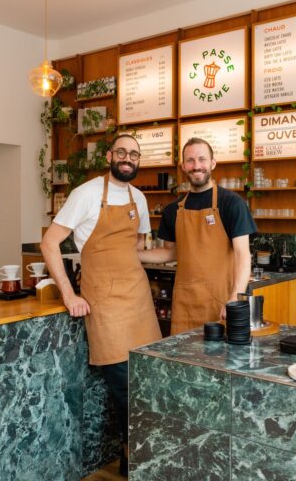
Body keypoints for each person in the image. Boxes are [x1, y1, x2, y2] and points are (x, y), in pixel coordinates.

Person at [40, 134, 161, 476]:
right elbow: (49, 243)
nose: (128, 158)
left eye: (134, 154)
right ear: (109, 156)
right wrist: (68, 294)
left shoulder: (138, 198)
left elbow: (136, 250)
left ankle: (138, 460)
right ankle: (133, 460)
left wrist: (186, 253)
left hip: (138, 298)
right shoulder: (87, 193)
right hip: (105, 303)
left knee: (145, 382)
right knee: (125, 388)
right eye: (122, 152)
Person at [139, 137, 256, 334]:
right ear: (183, 166)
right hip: (185, 305)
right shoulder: (173, 210)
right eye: (190, 160)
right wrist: (134, 255)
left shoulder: (231, 204)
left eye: (202, 159)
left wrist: (234, 297)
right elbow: (170, 253)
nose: (196, 166)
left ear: (213, 163)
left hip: (221, 304)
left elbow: (243, 255)